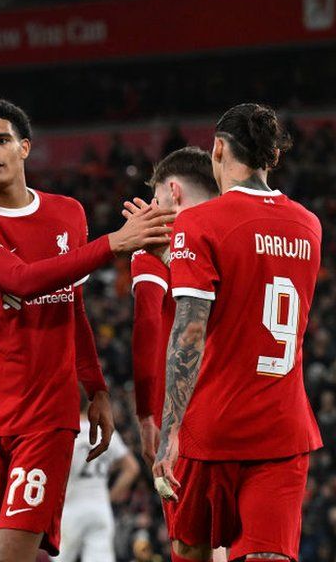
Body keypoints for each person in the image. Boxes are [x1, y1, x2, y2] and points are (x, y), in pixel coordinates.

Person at [0, 98, 173, 562]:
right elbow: (20, 279)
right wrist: (114, 243)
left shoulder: (67, 214)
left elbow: (71, 303)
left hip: (47, 412)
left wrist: (96, 389)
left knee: (13, 551)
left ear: (24, 148)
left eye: (1, 140)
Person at [153, 104, 322, 562]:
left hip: (214, 429)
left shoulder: (199, 222)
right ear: (271, 157)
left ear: (219, 148)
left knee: (190, 551)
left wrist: (169, 433)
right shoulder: (309, 224)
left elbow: (189, 334)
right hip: (282, 432)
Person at [130, 146, 219, 466]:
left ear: (173, 190)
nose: (153, 209)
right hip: (244, 410)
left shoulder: (153, 245)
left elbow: (148, 322)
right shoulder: (238, 237)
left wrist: (146, 412)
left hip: (182, 420)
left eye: (155, 199)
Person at [51, 390, 140, 562]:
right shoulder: (104, 430)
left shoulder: (65, 433)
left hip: (70, 508)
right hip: (99, 508)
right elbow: (132, 468)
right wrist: (109, 497)